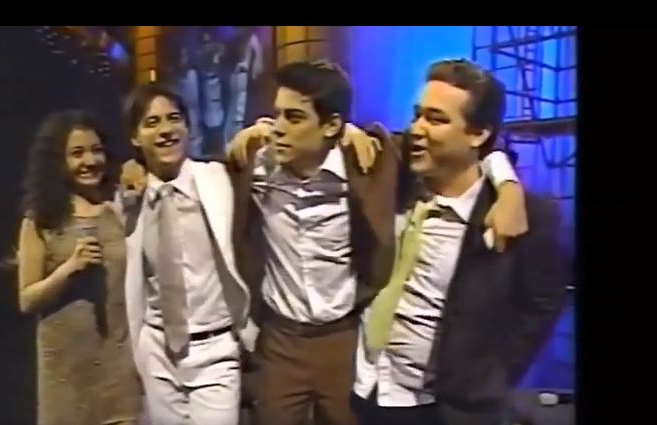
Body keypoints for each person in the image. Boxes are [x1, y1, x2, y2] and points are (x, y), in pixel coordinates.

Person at [225, 60, 528, 425]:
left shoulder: (369, 162)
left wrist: (509, 187)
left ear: (332, 125)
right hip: (280, 338)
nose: (278, 128)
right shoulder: (253, 164)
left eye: (293, 117)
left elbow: (480, 150)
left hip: (346, 337)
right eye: (276, 115)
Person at [351, 59, 567, 425]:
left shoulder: (527, 217)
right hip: (364, 389)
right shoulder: (394, 181)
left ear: (477, 133)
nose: (417, 129)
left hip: (446, 409)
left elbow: (542, 305)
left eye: (436, 120)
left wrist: (492, 376)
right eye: (417, 115)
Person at [122, 82, 259, 425]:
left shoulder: (218, 178)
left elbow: (270, 154)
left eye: (174, 118)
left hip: (216, 350)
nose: (166, 130)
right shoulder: (128, 199)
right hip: (157, 352)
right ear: (135, 137)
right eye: (152, 122)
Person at [17, 110, 141, 425]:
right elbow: (27, 299)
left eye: (96, 150)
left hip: (117, 374)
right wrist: (68, 269)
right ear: (58, 161)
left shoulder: (117, 208)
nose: (90, 160)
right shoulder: (41, 220)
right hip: (65, 379)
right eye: (77, 153)